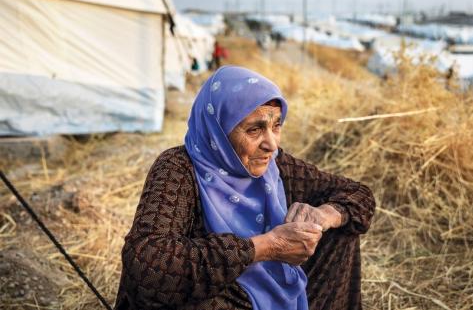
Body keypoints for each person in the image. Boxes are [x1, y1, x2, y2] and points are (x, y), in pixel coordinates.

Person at [114, 66, 376, 310]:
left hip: (267, 289)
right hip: (224, 297)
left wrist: (324, 215)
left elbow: (358, 194)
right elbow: (147, 264)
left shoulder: (276, 165)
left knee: (342, 228)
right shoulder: (178, 168)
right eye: (255, 129)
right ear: (219, 130)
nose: (271, 144)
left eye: (276, 126)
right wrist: (265, 247)